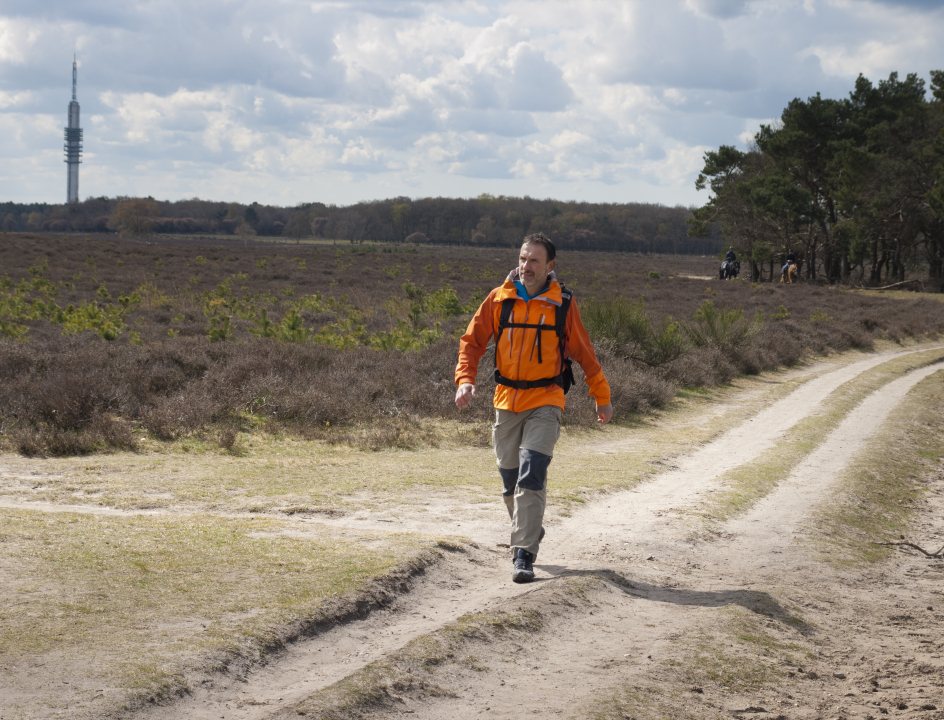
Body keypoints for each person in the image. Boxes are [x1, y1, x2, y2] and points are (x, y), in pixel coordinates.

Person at [454, 233, 614, 583]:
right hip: (506, 400)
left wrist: (601, 396)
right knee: (509, 479)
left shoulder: (563, 305)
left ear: (550, 266)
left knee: (531, 472)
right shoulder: (499, 299)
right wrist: (465, 380)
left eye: (534, 261)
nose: (527, 266)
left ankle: (523, 553)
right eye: (523, 259)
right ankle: (529, 529)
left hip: (547, 400)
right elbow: (471, 342)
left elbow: (585, 354)